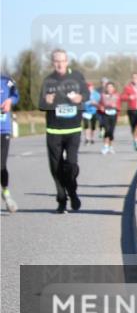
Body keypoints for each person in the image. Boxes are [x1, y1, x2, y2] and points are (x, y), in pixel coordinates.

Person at [38, 49, 88, 213]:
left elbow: (86, 94)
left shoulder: (77, 77)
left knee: (71, 165)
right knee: (56, 167)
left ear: (67, 61)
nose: (59, 64)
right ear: (53, 63)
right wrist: (47, 101)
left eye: (62, 60)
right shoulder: (48, 80)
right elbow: (41, 105)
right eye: (56, 61)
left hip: (73, 128)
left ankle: (72, 192)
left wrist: (80, 98)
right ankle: (61, 199)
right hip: (54, 130)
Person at [1, 72, 20, 212]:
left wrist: (9, 101)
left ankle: (6, 193)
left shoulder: (6, 80)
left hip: (3, 129)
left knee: (1, 165)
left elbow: (15, 95)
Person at [100, 81, 122, 155]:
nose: (109, 89)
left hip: (114, 114)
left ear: (114, 88)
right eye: (108, 87)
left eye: (111, 87)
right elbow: (100, 104)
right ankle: (106, 146)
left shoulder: (117, 96)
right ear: (106, 88)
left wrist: (116, 108)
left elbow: (119, 106)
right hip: (105, 114)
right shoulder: (103, 95)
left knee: (111, 131)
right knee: (107, 130)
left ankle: (111, 146)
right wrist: (101, 107)